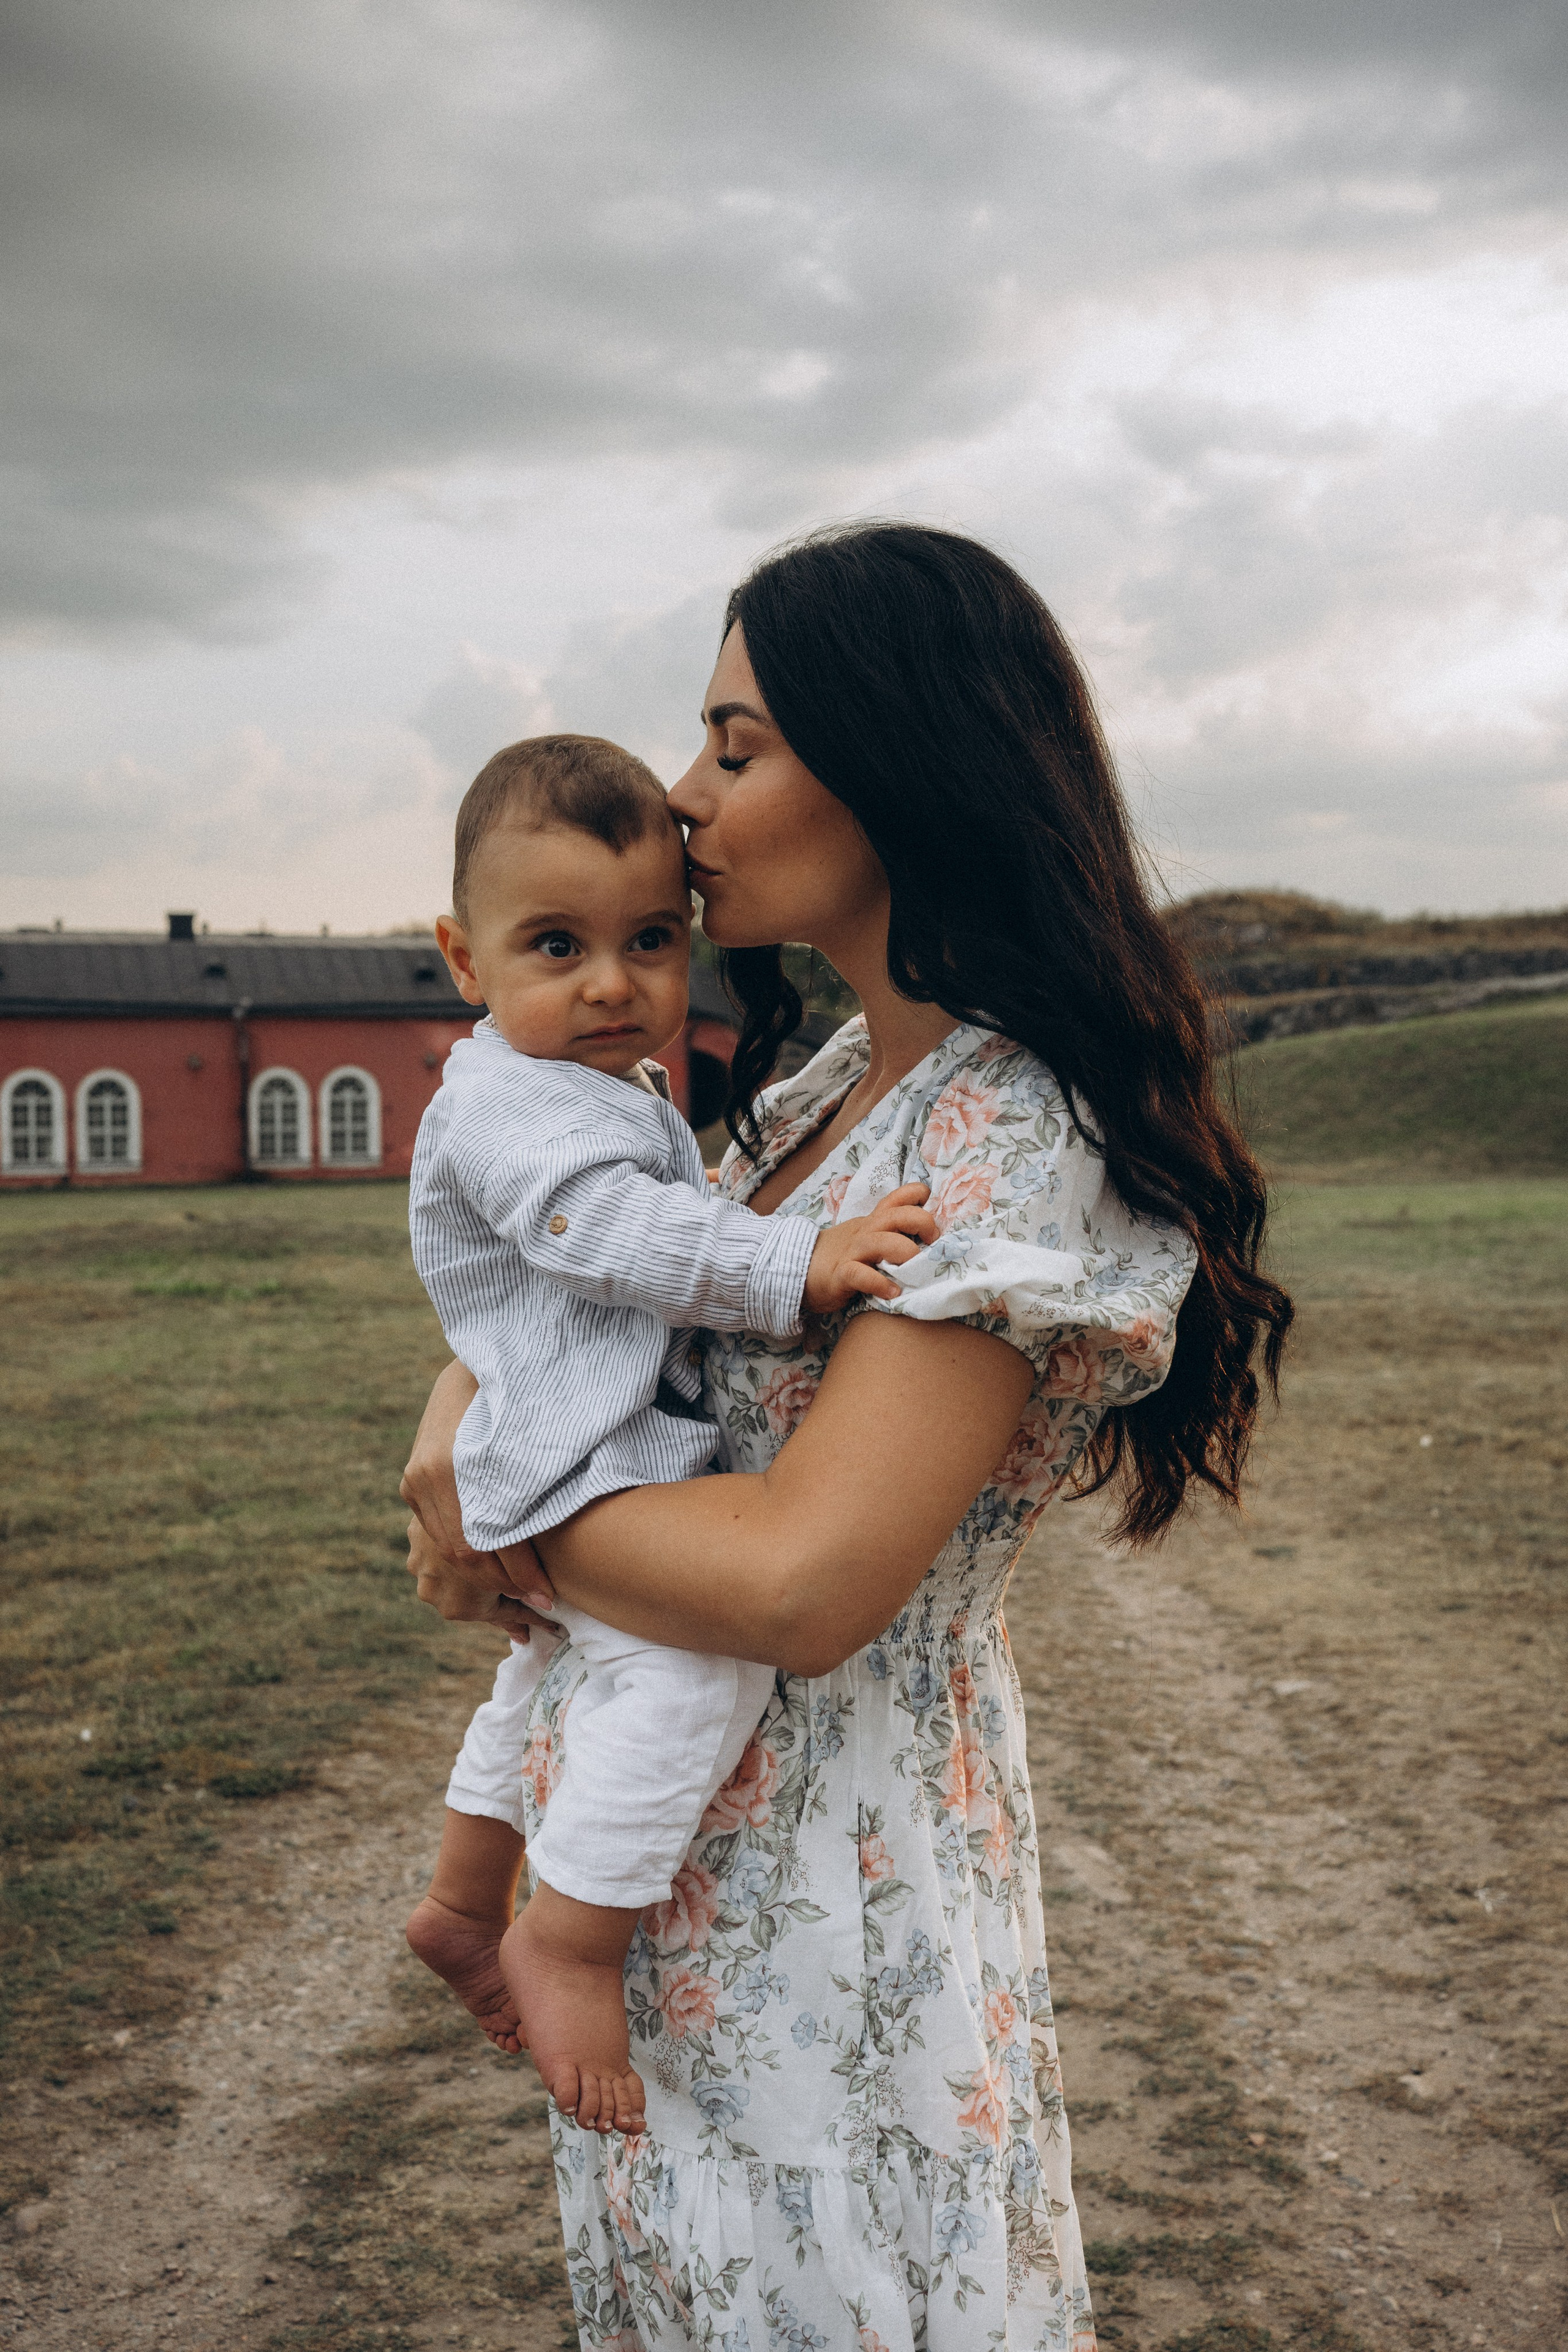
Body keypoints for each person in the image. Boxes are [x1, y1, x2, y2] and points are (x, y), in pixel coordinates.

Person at [402, 524, 1293, 2352]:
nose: (681, 792)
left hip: (835, 1885)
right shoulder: (821, 1095)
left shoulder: (1007, 1131)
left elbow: (809, 1582)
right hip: (660, 1858)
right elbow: (593, 1292)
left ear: (897, 764)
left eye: (737, 745)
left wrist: (495, 1500)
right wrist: (458, 1404)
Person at [403, 731, 938, 2135]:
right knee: (691, 1682)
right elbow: (603, 1231)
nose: (608, 982)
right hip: (585, 1459)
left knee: (542, 1693)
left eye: (648, 939)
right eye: (556, 945)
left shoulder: (583, 1082)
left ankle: (465, 1900)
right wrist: (797, 1265)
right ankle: (565, 1939)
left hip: (563, 1448)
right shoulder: (526, 1103)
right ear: (463, 960)